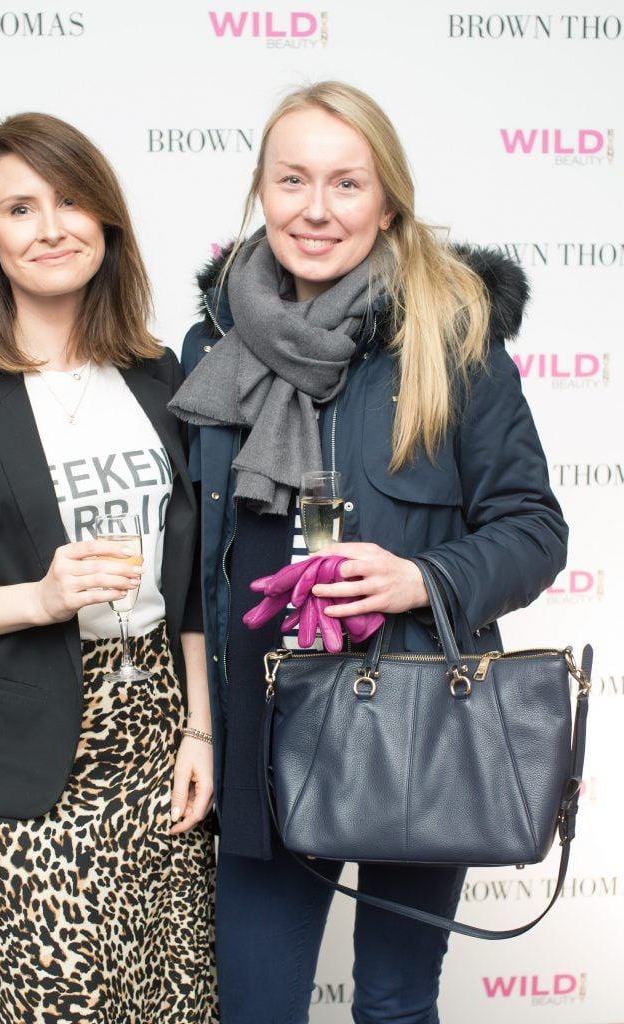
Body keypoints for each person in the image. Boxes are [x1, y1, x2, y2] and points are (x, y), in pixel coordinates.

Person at [170, 82, 568, 1024]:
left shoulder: (453, 337)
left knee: (393, 1004)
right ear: (260, 192)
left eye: (346, 184)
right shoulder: (209, 346)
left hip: (417, 726)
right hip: (261, 734)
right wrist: (198, 728)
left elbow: (533, 527)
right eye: (293, 179)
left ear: (386, 199)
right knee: (255, 1010)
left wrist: (417, 578)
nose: (316, 208)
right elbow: (193, 560)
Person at [0, 113, 217, 1024]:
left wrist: (203, 733)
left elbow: (192, 585)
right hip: (27, 762)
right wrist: (39, 596)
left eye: (70, 200)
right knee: (47, 1003)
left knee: (168, 998)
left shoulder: (160, 380)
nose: (51, 226)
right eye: (20, 209)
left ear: (105, 222)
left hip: (159, 740)